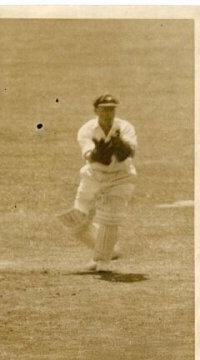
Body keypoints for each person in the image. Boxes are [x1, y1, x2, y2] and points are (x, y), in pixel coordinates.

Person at [57, 94, 137, 272]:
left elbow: (129, 153)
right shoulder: (86, 130)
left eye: (112, 109)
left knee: (110, 218)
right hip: (94, 175)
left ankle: (103, 261)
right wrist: (98, 154)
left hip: (121, 177)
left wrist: (121, 146)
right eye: (104, 109)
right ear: (96, 110)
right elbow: (91, 157)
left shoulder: (125, 128)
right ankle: (109, 250)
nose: (109, 113)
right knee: (75, 220)